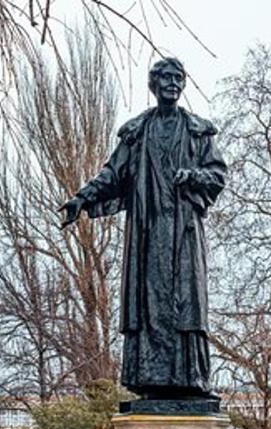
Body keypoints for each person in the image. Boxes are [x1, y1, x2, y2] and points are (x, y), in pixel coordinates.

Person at [59, 57, 226, 403]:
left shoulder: (198, 131)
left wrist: (193, 175)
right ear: (154, 85)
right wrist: (81, 199)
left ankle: (190, 378)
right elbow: (112, 174)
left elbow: (217, 174)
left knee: (187, 305)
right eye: (165, 78)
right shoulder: (136, 132)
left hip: (183, 233)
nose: (172, 84)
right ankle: (149, 378)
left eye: (178, 78)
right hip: (148, 234)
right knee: (149, 305)